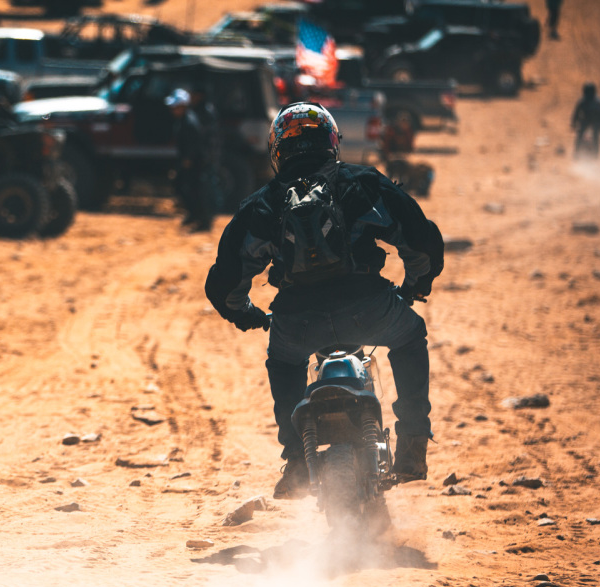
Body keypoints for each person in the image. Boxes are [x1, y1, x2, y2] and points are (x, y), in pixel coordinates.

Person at [204, 103, 444, 498]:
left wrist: (246, 314)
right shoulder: (362, 183)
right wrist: (417, 284)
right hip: (368, 308)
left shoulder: (261, 205)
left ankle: (296, 458)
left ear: (278, 151)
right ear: (332, 141)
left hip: (297, 322)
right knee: (409, 336)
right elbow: (421, 239)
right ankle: (414, 441)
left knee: (283, 361)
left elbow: (225, 284)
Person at [169, 86, 220, 232]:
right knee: (188, 189)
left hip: (196, 163)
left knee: (198, 191)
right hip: (192, 162)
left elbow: (194, 143)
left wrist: (188, 160)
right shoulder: (184, 120)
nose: (173, 110)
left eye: (175, 107)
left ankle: (203, 221)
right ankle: (194, 216)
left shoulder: (189, 121)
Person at [571, 82, 600, 159]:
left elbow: (576, 114)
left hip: (589, 123)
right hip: (592, 123)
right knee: (594, 137)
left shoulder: (583, 101)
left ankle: (577, 153)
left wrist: (573, 123)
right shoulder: (598, 102)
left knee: (581, 136)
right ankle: (595, 155)